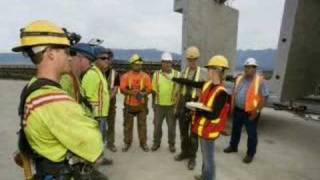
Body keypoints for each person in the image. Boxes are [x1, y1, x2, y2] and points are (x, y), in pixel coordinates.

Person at [13, 20, 104, 179]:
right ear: (50, 53)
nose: (70, 58)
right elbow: (94, 148)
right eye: (66, 51)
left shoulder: (32, 87)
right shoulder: (53, 101)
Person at [174, 55, 231, 180]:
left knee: (208, 159)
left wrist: (196, 109)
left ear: (217, 70)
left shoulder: (221, 92)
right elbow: (192, 83)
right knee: (205, 156)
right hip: (203, 128)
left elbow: (213, 115)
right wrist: (177, 79)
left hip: (210, 131)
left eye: (210, 69)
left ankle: (209, 177)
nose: (208, 71)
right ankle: (205, 176)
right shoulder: (207, 84)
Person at [224, 57, 269, 164]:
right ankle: (233, 146)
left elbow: (264, 98)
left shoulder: (261, 81)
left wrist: (257, 111)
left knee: (251, 134)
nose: (247, 69)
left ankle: (250, 154)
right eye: (246, 67)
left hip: (251, 112)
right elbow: (234, 93)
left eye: (250, 67)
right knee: (236, 129)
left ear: (255, 68)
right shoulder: (239, 78)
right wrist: (232, 107)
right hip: (238, 110)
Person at [174, 46, 208, 170]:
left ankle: (192, 157)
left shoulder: (203, 73)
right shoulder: (183, 72)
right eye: (190, 60)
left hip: (195, 107)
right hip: (183, 105)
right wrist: (176, 108)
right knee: (183, 132)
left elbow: (207, 91)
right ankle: (185, 152)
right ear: (187, 60)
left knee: (194, 134)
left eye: (194, 60)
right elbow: (178, 91)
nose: (192, 62)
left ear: (197, 60)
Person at [81, 45, 113, 165]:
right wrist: (92, 116)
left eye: (108, 58)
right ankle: (93, 165)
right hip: (96, 115)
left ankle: (100, 158)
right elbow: (86, 98)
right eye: (103, 58)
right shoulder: (92, 74)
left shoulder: (100, 73)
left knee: (101, 140)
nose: (107, 61)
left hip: (101, 114)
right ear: (95, 60)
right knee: (95, 141)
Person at [120, 54, 152, 152]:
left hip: (141, 105)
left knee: (142, 125)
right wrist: (131, 92)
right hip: (129, 105)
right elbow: (122, 89)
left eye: (139, 64)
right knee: (127, 126)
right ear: (132, 65)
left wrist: (143, 93)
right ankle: (127, 143)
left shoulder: (145, 76)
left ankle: (143, 143)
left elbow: (150, 89)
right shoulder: (126, 76)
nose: (138, 66)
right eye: (136, 64)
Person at [151, 52, 180, 153]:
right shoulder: (156, 75)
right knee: (157, 126)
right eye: (165, 62)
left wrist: (177, 106)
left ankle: (171, 144)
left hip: (171, 106)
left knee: (171, 127)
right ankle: (156, 143)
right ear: (161, 63)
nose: (167, 64)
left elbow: (179, 93)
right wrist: (153, 105)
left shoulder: (177, 74)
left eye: (169, 62)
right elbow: (154, 91)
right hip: (159, 106)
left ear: (171, 63)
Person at [60, 43, 96, 116]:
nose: (91, 65)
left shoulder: (75, 78)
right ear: (80, 58)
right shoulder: (66, 79)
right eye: (90, 61)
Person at [103, 49, 120, 152]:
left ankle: (111, 143)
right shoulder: (96, 71)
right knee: (99, 124)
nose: (107, 61)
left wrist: (108, 98)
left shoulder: (115, 74)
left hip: (111, 103)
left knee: (111, 124)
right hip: (99, 103)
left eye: (109, 59)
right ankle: (99, 144)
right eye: (105, 59)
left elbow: (115, 89)